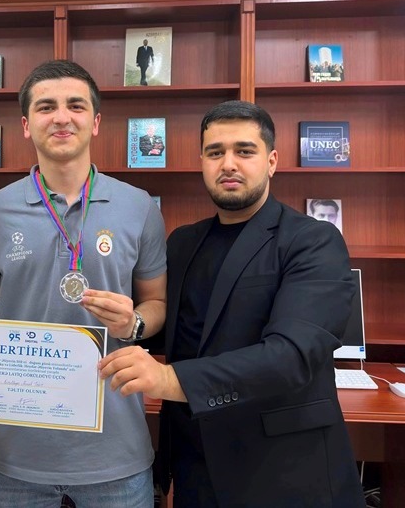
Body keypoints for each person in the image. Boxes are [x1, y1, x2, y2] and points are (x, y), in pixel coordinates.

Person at [0, 60, 168, 507]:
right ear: (27, 125)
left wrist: (134, 324)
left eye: (76, 106)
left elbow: (156, 303)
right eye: (46, 107)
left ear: (96, 122)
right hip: (15, 456)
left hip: (115, 454)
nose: (62, 117)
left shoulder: (139, 207)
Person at [99, 100, 365, 508]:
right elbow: (183, 335)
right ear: (202, 163)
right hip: (195, 469)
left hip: (285, 474)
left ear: (271, 161)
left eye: (244, 151)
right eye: (215, 152)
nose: (228, 164)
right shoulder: (183, 242)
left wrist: (168, 380)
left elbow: (290, 357)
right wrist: (133, 325)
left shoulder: (313, 241)